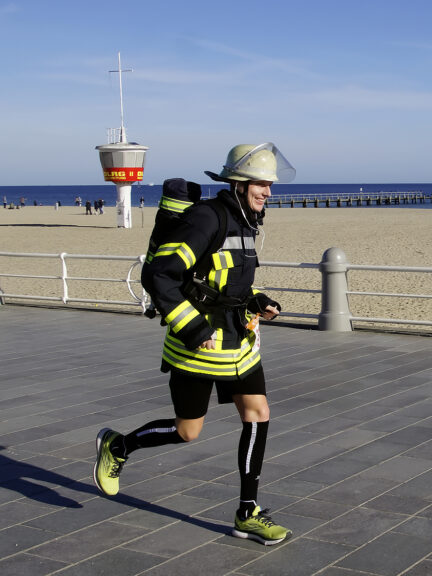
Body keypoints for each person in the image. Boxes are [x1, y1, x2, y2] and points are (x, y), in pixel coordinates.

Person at [93, 143, 296, 546]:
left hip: (240, 341)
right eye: (261, 184)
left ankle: (247, 512)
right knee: (188, 432)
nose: (268, 193)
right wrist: (193, 331)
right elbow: (160, 275)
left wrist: (257, 300)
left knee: (258, 414)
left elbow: (227, 280)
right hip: (197, 345)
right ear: (239, 184)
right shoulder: (207, 219)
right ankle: (119, 446)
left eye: (270, 185)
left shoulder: (247, 221)